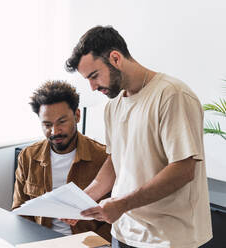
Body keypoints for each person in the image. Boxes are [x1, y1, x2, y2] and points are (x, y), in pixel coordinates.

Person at [64, 25, 212, 248]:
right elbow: (116, 163)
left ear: (115, 58)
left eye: (94, 76)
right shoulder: (113, 107)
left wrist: (122, 204)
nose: (93, 87)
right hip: (124, 233)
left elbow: (183, 169)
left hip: (170, 239)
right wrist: (83, 201)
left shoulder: (172, 95)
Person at [12, 80, 111, 241]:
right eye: (47, 124)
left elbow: (115, 220)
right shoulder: (27, 156)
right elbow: (20, 211)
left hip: (87, 243)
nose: (54, 131)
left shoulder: (103, 157)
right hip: (40, 241)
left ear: (77, 115)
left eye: (62, 122)